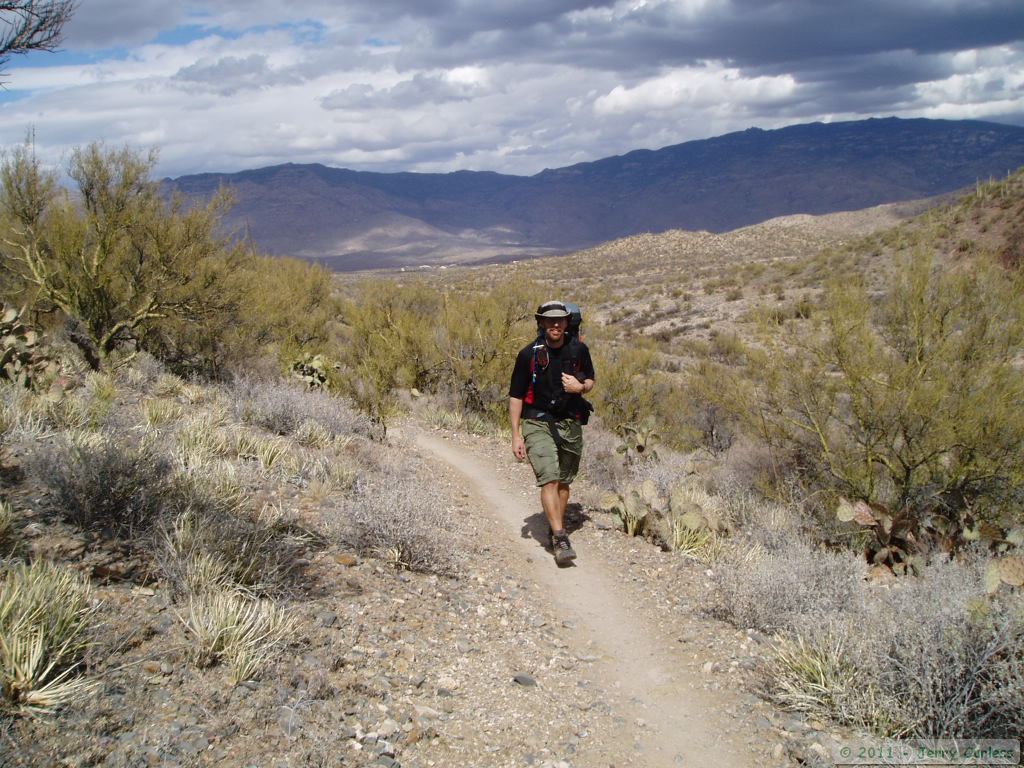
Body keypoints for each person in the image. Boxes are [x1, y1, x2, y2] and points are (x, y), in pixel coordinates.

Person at [509, 301, 596, 565]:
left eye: (560, 320)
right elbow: (516, 396)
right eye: (550, 320)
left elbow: (590, 380)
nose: (555, 324)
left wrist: (580, 387)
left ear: (567, 322)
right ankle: (560, 536)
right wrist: (516, 435)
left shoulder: (578, 350)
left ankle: (554, 524)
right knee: (549, 478)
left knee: (564, 481)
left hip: (569, 421)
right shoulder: (528, 355)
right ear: (542, 323)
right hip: (537, 421)